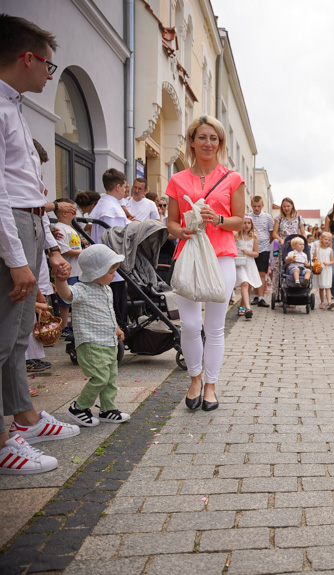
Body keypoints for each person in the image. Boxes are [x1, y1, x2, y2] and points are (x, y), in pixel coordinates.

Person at [0, 14, 80, 476]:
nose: (50, 75)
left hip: (28, 223)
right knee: (3, 337)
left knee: (14, 337)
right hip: (11, 225)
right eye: (49, 66)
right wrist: (15, 260)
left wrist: (49, 246)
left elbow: (31, 192)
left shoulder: (14, 108)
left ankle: (24, 417)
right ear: (27, 58)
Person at [166, 115, 245, 413]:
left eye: (214, 138)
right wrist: (180, 230)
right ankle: (195, 379)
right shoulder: (177, 179)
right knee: (188, 324)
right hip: (188, 256)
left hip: (221, 257)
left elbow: (240, 221)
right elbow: (170, 222)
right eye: (202, 137)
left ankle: (211, 385)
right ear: (191, 141)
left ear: (220, 142)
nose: (208, 143)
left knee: (214, 326)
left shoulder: (233, 178)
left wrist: (220, 220)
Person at [56, 245, 131, 426]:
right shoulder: (82, 289)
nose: (114, 275)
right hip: (91, 343)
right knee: (99, 378)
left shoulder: (107, 290)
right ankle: (79, 407)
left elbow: (108, 313)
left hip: (109, 342)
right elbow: (67, 294)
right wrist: (61, 280)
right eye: (111, 271)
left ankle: (108, 408)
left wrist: (116, 328)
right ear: (97, 272)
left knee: (110, 378)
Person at [89, 168, 130, 325]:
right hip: (111, 265)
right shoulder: (112, 209)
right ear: (118, 187)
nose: (126, 191)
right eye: (125, 187)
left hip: (102, 262)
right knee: (115, 303)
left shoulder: (103, 204)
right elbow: (116, 239)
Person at [54, 198, 82, 335]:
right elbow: (64, 250)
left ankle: (70, 325)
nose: (75, 213)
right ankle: (63, 326)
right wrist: (83, 252)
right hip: (67, 270)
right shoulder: (59, 228)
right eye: (72, 210)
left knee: (73, 300)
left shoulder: (71, 229)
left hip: (76, 270)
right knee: (65, 302)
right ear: (64, 213)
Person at [248, 195, 274, 307]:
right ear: (251, 206)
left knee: (261, 273)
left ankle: (261, 298)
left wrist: (266, 243)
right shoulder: (248, 217)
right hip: (251, 249)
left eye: (258, 206)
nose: (256, 208)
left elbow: (271, 233)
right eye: (254, 206)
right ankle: (255, 296)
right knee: (251, 273)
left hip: (264, 249)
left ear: (262, 205)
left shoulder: (268, 217)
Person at [234, 216, 261, 319]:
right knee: (244, 283)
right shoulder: (236, 236)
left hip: (249, 263)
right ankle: (248, 308)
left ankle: (241, 306)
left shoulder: (254, 237)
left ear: (251, 224)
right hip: (239, 263)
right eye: (244, 223)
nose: (246, 225)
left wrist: (248, 252)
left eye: (248, 223)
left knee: (248, 287)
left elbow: (256, 253)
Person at [314, 231, 334, 309]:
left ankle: (329, 302)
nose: (327, 241)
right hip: (320, 269)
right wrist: (314, 259)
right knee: (321, 287)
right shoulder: (317, 249)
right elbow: (313, 259)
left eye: (329, 240)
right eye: (325, 239)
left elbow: (332, 261)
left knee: (327, 286)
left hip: (327, 269)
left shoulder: (330, 250)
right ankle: (322, 302)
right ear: (321, 239)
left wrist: (328, 263)